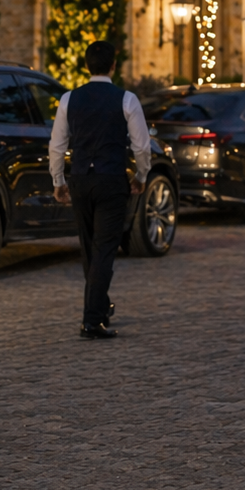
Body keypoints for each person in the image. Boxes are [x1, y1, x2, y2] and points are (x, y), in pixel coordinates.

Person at [49, 41, 152, 339]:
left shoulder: (69, 99)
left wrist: (58, 181)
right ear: (113, 66)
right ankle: (92, 320)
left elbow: (57, 145)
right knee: (105, 248)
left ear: (85, 66)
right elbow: (141, 146)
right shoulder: (127, 99)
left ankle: (101, 306)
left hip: (80, 179)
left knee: (89, 247)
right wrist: (141, 176)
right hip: (110, 179)